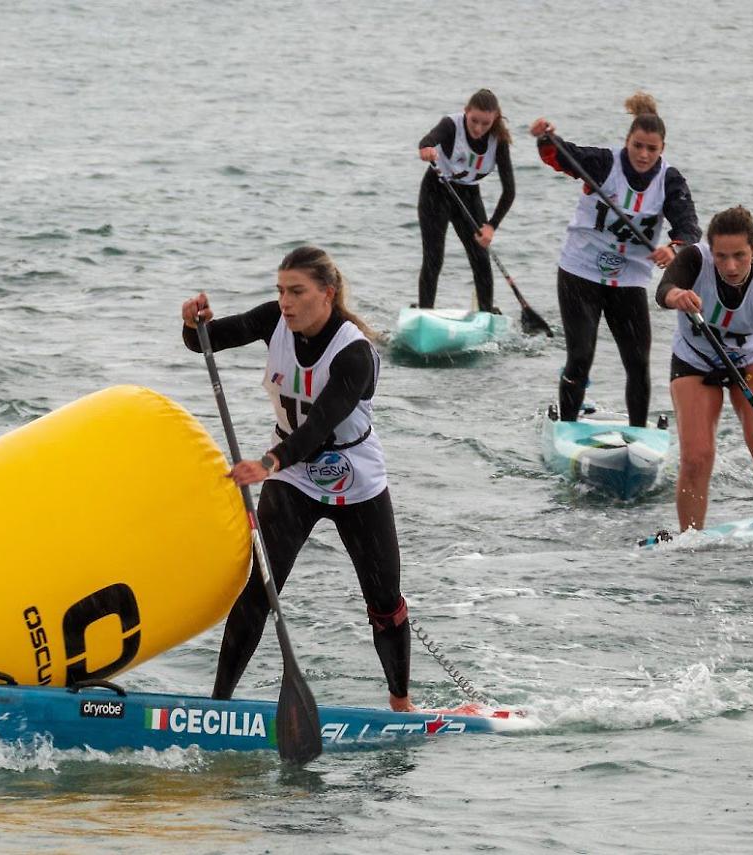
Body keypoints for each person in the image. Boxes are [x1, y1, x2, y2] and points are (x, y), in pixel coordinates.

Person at [181, 246, 415, 711]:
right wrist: (194, 323)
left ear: (326, 294)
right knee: (259, 591)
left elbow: (319, 426)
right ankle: (218, 706)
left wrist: (267, 464)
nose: (285, 302)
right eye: (281, 291)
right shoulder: (274, 321)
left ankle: (401, 704)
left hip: (354, 477)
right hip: (295, 479)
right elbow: (204, 342)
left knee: (385, 603)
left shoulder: (354, 354)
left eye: (297, 292)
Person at [531, 92, 701, 427]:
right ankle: (566, 425)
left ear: (662, 149)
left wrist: (675, 247)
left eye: (652, 149)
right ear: (627, 142)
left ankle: (638, 431)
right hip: (581, 270)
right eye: (637, 146)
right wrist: (544, 136)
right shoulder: (604, 162)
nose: (643, 154)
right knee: (581, 356)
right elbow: (561, 156)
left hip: (629, 279)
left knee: (637, 362)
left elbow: (690, 228)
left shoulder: (670, 180)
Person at [657, 206, 753, 531]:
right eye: (721, 256)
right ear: (710, 251)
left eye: (740, 256)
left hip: (748, 359)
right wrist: (677, 295)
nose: (730, 266)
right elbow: (663, 290)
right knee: (697, 455)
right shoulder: (693, 259)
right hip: (695, 359)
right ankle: (690, 538)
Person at [416, 88, 515, 312]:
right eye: (474, 121)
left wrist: (492, 226)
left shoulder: (498, 141)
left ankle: (486, 313)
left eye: (485, 123)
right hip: (436, 191)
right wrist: (427, 150)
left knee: (481, 259)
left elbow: (509, 191)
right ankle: (425, 313)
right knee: (433, 257)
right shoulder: (451, 125)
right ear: (466, 112)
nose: (478, 128)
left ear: (495, 119)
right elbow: (427, 140)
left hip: (469, 196)